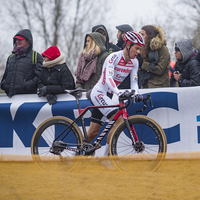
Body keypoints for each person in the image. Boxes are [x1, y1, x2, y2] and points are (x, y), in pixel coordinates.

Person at [87, 31, 145, 156]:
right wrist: (118, 92)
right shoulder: (113, 57)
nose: (138, 52)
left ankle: (80, 153)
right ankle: (107, 158)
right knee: (118, 121)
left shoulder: (134, 62)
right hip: (99, 93)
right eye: (137, 48)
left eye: (140, 49)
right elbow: (108, 79)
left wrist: (137, 94)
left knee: (93, 132)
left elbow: (134, 83)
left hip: (108, 95)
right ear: (128, 45)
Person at [1, 29, 43, 97]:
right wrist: (4, 85)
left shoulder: (36, 56)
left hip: (28, 98)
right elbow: (5, 76)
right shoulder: (11, 57)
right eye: (16, 40)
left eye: (20, 40)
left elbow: (41, 76)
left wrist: (26, 86)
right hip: (9, 98)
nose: (17, 41)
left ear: (28, 41)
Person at [75, 32, 109, 97]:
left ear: (95, 42)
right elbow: (78, 78)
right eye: (86, 41)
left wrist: (95, 90)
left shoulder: (105, 57)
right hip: (85, 97)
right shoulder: (83, 57)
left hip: (100, 97)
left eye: (88, 41)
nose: (86, 43)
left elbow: (107, 79)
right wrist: (78, 88)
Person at [115, 24, 143, 89]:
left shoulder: (135, 52)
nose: (117, 35)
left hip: (129, 87)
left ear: (123, 34)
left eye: (118, 32)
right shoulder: (115, 50)